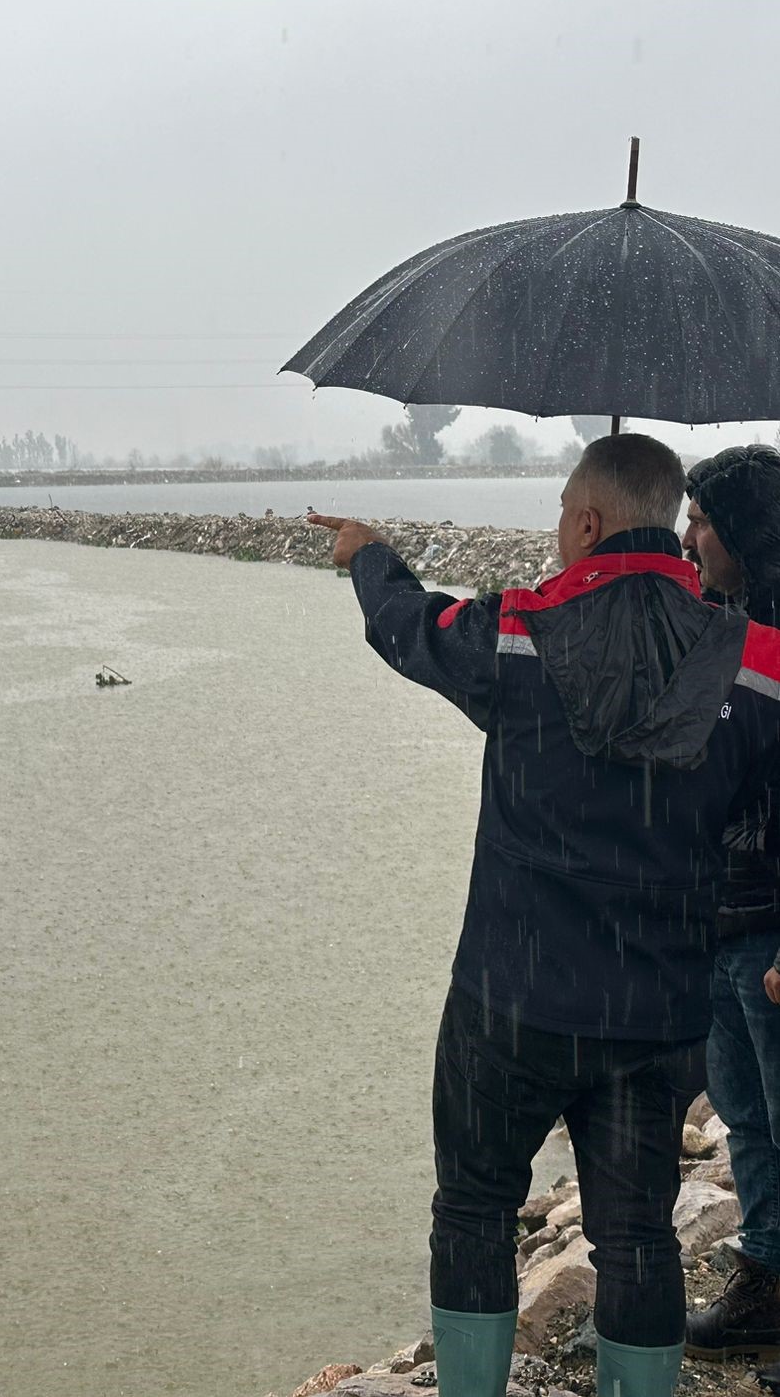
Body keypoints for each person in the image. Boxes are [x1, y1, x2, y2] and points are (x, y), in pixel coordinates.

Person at [310, 433, 780, 1397]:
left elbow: (408, 626)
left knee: (475, 1212)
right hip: (657, 1015)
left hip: (510, 1000)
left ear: (588, 521)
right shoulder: (757, 665)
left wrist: (369, 555)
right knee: (640, 1232)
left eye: (561, 515)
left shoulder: (514, 635)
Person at [679, 446, 780, 1371]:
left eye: (703, 519)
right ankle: (768, 1279)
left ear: (744, 529)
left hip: (773, 928)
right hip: (722, 920)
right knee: (745, 1116)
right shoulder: (717, 624)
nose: (688, 535)